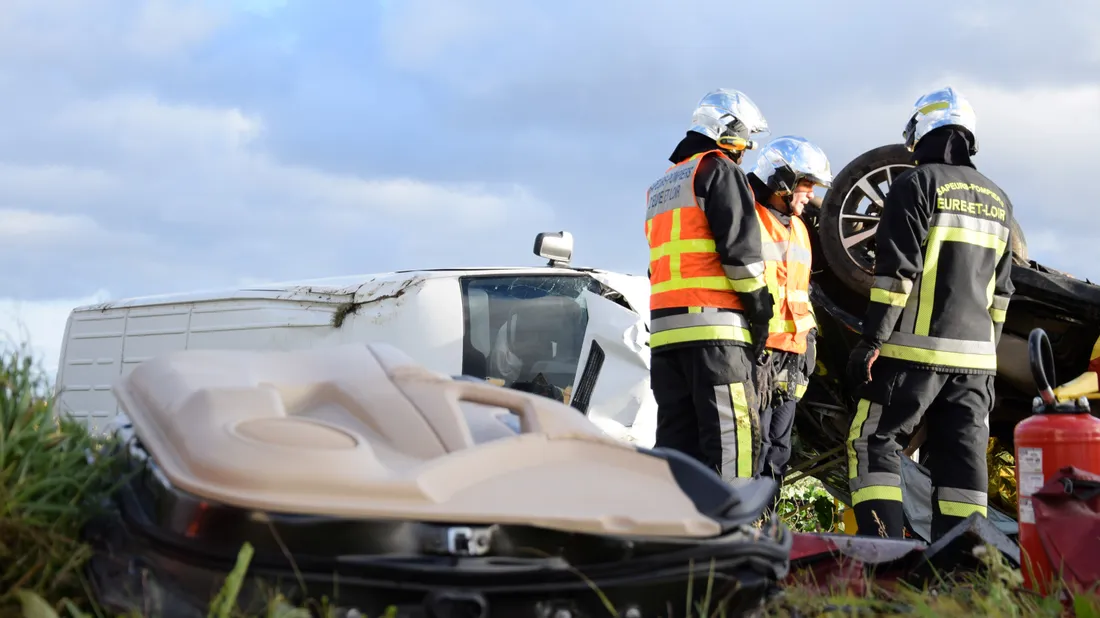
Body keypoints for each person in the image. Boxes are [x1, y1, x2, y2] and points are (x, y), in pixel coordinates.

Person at [845, 86, 1016, 540]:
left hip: (911, 357)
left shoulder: (916, 184)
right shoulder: (999, 201)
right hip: (977, 366)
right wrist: (985, 358)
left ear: (923, 132)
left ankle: (885, 554)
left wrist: (871, 342)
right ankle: (960, 577)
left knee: (872, 442)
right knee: (962, 466)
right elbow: (1002, 295)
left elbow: (894, 276)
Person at [645, 88, 775, 483]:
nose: (744, 153)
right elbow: (741, 256)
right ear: (727, 133)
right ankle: (733, 535)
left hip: (666, 339)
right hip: (715, 335)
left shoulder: (662, 186)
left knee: (675, 449)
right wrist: (761, 312)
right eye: (743, 143)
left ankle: (670, 535)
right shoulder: (719, 170)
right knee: (732, 442)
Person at [745, 136, 833, 505]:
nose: (810, 194)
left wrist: (809, 336)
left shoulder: (799, 228)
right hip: (760, 352)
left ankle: (765, 520)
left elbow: (800, 289)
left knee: (778, 449)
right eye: (805, 184)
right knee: (755, 443)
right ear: (782, 179)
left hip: (793, 354)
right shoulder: (750, 218)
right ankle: (744, 523)